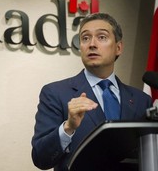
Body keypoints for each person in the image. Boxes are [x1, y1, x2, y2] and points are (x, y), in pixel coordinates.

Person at [31, 13, 152, 171]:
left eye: (102, 37)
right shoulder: (55, 93)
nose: (92, 44)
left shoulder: (141, 99)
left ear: (118, 47)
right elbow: (41, 158)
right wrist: (68, 127)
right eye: (85, 38)